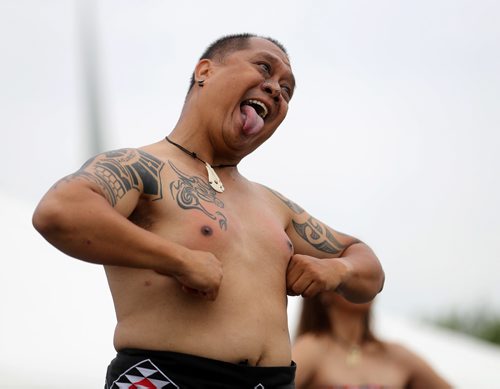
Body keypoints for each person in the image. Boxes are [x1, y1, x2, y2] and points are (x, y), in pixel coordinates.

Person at [32, 33, 385, 388]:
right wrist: (178, 260)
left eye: (287, 89)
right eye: (264, 68)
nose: (277, 89)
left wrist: (336, 270)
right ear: (205, 71)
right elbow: (60, 212)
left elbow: (366, 264)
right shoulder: (141, 166)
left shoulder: (274, 206)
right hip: (165, 377)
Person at [292, 292, 452, 388]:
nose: (362, 283)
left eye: (367, 276)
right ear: (324, 291)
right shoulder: (312, 348)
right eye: (351, 275)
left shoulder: (397, 355)